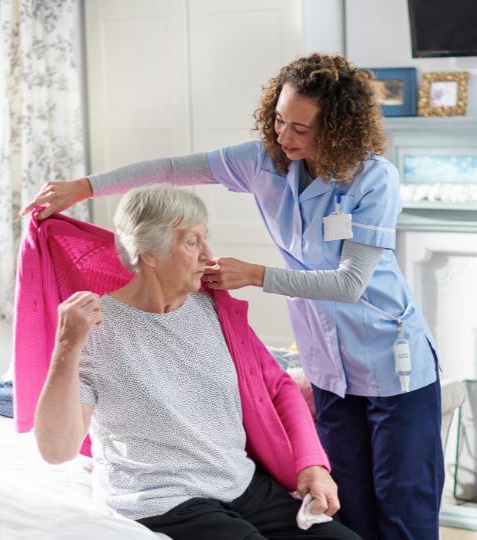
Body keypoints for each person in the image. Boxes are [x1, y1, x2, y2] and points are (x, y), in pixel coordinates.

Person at [24, 53, 443, 540]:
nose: (284, 137)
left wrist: (255, 275)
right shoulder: (264, 161)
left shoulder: (373, 179)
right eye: (279, 120)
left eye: (300, 129)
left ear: (336, 130)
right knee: (349, 500)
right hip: (328, 362)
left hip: (390, 358)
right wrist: (84, 187)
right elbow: (172, 169)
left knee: (403, 503)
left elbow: (350, 283)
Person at [34, 184, 360, 540]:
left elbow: (279, 387)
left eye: (205, 239)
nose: (208, 254)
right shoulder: (95, 329)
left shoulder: (214, 309)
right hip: (161, 499)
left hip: (238, 483)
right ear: (150, 253)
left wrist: (313, 465)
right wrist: (66, 345)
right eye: (193, 242)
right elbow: (56, 450)